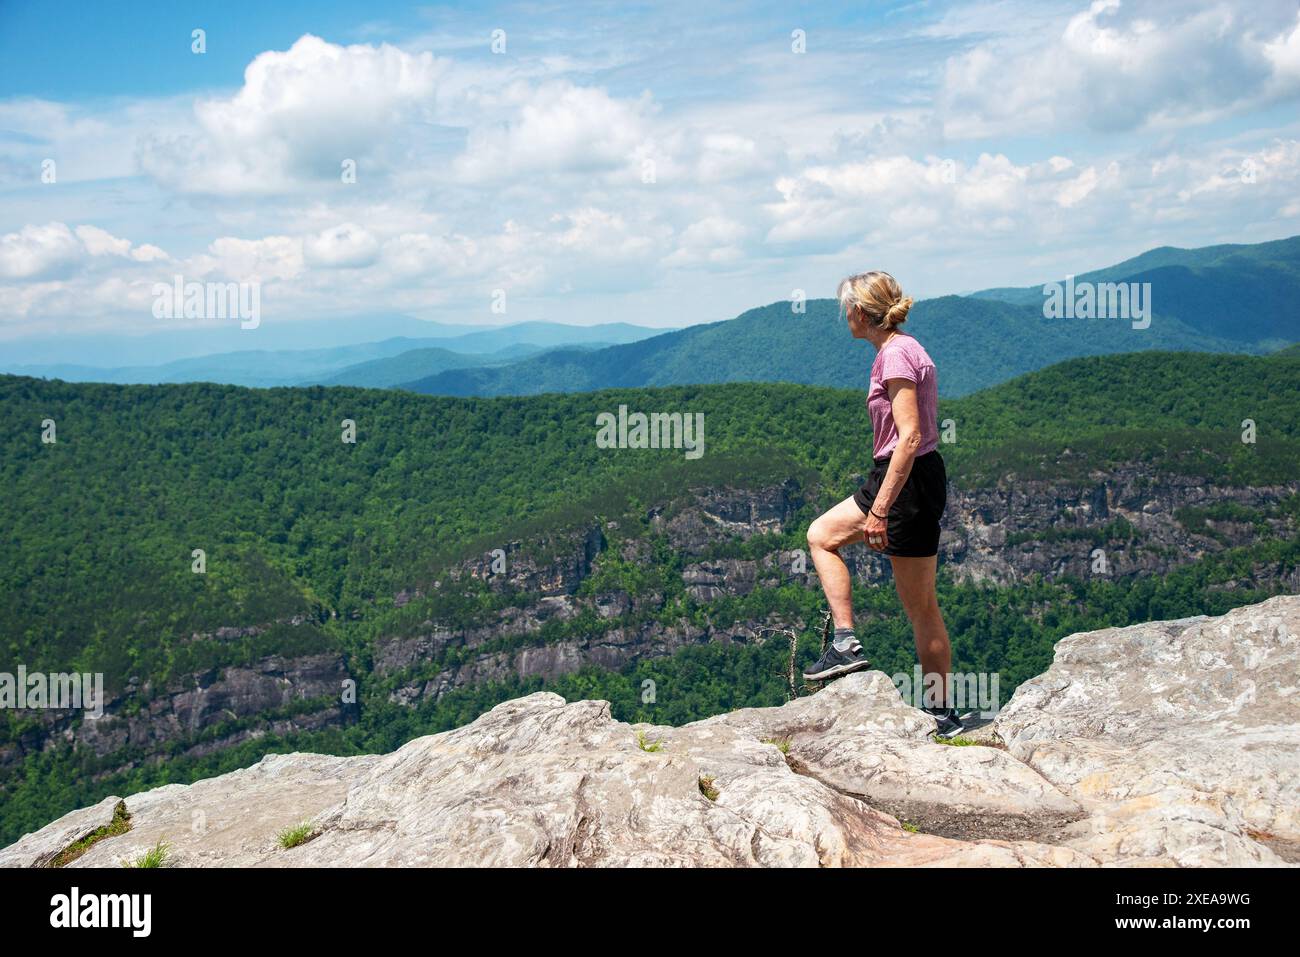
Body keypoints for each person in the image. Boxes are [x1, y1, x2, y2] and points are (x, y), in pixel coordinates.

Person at [802, 271, 963, 739]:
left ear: (859, 311)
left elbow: (908, 435)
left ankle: (847, 642)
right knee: (922, 606)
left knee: (821, 536)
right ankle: (941, 714)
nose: (842, 317)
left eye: (843, 309)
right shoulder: (906, 348)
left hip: (903, 479)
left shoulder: (893, 355)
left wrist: (879, 509)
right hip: (920, 476)